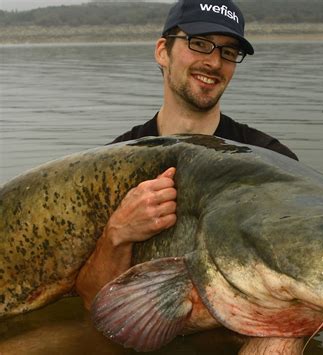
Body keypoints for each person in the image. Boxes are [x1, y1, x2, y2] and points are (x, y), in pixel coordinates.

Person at [75, 0, 298, 309]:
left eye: (229, 52)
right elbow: (92, 300)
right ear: (162, 51)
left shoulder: (271, 160)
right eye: (200, 43)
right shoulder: (113, 164)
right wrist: (117, 234)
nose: (214, 63)